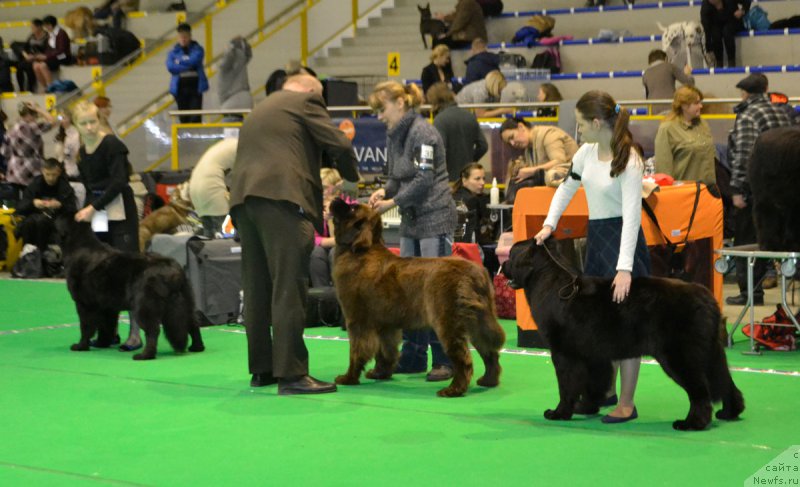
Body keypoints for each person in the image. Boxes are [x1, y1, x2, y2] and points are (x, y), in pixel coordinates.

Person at [229, 74, 359, 394]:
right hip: (282, 200)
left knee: (257, 288)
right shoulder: (305, 101)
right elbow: (339, 143)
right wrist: (354, 180)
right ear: (311, 91)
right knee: (289, 287)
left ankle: (262, 369)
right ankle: (292, 374)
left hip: (244, 202)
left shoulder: (262, 108)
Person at [534, 90, 650, 423]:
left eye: (581, 124)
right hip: (597, 240)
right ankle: (605, 392)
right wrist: (548, 225)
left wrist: (625, 269)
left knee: (628, 328)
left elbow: (632, 216)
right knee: (601, 325)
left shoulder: (629, 159)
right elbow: (567, 189)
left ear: (597, 122)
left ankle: (627, 403)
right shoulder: (585, 153)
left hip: (624, 246)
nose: (578, 131)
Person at [367, 81, 457, 382]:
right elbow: (396, 178)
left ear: (400, 104)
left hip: (435, 218)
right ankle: (415, 356)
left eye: (382, 108)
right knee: (407, 292)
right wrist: (383, 192)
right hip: (411, 221)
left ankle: (446, 360)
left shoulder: (424, 133)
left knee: (436, 293)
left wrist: (392, 201)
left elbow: (424, 180)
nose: (379, 116)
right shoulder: (395, 136)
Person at [72, 100, 142, 351]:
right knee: (102, 272)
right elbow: (90, 186)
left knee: (130, 271)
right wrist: (88, 209)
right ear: (76, 126)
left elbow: (119, 182)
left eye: (93, 121)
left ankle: (135, 333)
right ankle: (106, 333)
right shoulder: (81, 152)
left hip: (121, 213)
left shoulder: (112, 145)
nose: (90, 127)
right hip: (99, 214)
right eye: (84, 123)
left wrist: (93, 207)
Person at [725, 73, 794, 306]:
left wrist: (737, 188)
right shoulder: (781, 111)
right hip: (787, 193)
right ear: (765, 89)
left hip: (757, 190)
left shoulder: (748, 115)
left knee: (746, 239)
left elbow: (744, 153)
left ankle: (750, 293)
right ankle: (772, 281)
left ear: (744, 93)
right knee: (772, 243)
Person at [499, 116, 578, 202]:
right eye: (509, 142)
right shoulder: (528, 150)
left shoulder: (549, 134)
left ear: (521, 127)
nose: (513, 143)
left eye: (512, 137)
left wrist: (530, 171)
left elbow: (559, 162)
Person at [653, 86, 716, 186]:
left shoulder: (703, 124)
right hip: (684, 192)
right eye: (696, 103)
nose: (701, 106)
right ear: (684, 105)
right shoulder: (667, 129)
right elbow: (663, 170)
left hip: (707, 191)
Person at [427, 82, 487, 182]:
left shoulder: (439, 120)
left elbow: (440, 150)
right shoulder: (469, 116)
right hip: (467, 178)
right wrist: (470, 160)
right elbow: (483, 146)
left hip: (447, 178)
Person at [16, 158, 76, 254]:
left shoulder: (65, 187)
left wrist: (60, 205)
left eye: (53, 175)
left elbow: (73, 209)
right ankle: (27, 255)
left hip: (56, 218)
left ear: (59, 172)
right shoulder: (36, 184)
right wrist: (33, 203)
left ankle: (41, 254)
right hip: (35, 216)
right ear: (43, 171)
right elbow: (20, 207)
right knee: (28, 223)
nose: (50, 178)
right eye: (47, 174)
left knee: (42, 222)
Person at [309, 168, 356, 288]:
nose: (321, 191)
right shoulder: (312, 205)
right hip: (323, 246)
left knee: (336, 252)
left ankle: (340, 296)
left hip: (344, 247)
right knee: (315, 253)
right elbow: (311, 237)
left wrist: (334, 217)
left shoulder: (349, 204)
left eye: (325, 187)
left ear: (337, 186)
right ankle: (320, 297)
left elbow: (353, 233)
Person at [188, 137, 238, 238]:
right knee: (226, 236)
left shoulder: (228, 144)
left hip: (194, 186)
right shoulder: (242, 147)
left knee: (208, 238)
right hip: (210, 186)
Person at [1, 101, 54, 191]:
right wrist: (38, 108)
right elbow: (51, 121)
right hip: (31, 170)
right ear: (30, 115)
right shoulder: (32, 127)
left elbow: (4, 152)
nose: (36, 119)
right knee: (30, 201)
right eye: (36, 116)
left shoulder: (11, 128)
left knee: (17, 202)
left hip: (13, 171)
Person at [166, 23, 208, 123]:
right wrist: (187, 64)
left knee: (195, 118)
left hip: (195, 88)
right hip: (180, 89)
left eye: (185, 37)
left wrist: (179, 61)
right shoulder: (173, 52)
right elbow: (171, 67)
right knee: (183, 118)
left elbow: (194, 61)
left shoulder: (198, 49)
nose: (183, 39)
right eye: (181, 37)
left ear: (190, 37)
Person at [452, 163, 493, 245]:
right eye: (477, 179)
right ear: (464, 180)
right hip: (466, 247)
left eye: (483, 179)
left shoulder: (453, 195)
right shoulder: (472, 200)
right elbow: (475, 233)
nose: (482, 183)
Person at [700, 0, 750, 68]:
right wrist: (709, 49)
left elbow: (747, 1)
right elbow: (707, 28)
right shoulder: (706, 7)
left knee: (727, 32)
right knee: (715, 34)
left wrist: (742, 11)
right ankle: (719, 62)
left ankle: (732, 62)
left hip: (733, 20)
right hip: (717, 25)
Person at [642, 49, 694, 113]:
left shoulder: (646, 73)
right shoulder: (669, 66)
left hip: (653, 111)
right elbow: (690, 83)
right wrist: (688, 73)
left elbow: (645, 96)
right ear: (666, 58)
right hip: (670, 108)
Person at [53, 108, 85, 207]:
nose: (62, 120)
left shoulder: (75, 134)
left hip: (75, 172)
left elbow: (73, 155)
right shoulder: (61, 135)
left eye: (64, 117)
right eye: (60, 118)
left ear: (71, 119)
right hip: (65, 172)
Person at [31, 15, 72, 93]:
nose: (45, 28)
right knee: (35, 65)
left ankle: (51, 87)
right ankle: (45, 86)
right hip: (53, 56)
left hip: (63, 57)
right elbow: (48, 48)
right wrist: (42, 56)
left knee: (43, 65)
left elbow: (61, 50)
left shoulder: (61, 33)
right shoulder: (50, 34)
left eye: (46, 26)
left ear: (50, 25)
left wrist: (47, 57)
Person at [217, 36, 253, 121]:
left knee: (229, 130)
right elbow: (249, 54)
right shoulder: (243, 60)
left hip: (231, 104)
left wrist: (230, 48)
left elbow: (226, 62)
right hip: (245, 100)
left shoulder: (228, 63)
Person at [14, 19, 48, 92]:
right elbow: (26, 46)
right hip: (30, 56)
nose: (32, 29)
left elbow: (47, 50)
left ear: (39, 27)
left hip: (39, 58)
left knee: (30, 68)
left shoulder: (47, 36)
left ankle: (30, 88)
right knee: (19, 67)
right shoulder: (31, 36)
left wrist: (35, 56)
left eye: (33, 27)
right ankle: (21, 88)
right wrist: (26, 54)